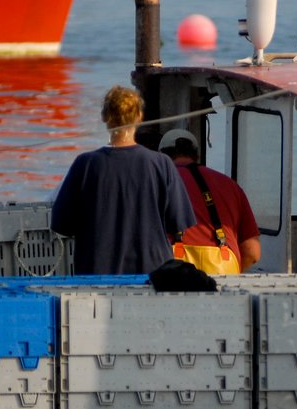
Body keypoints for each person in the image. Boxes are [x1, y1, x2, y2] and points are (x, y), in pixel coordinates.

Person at [51, 86, 195, 275]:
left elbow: (62, 225)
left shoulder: (85, 164)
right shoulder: (161, 164)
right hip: (153, 276)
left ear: (105, 117)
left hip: (97, 276)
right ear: (139, 117)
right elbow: (178, 223)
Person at [158, 128, 262, 272]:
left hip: (173, 278)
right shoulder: (230, 186)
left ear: (161, 156)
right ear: (197, 155)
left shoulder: (156, 183)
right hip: (223, 283)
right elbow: (252, 252)